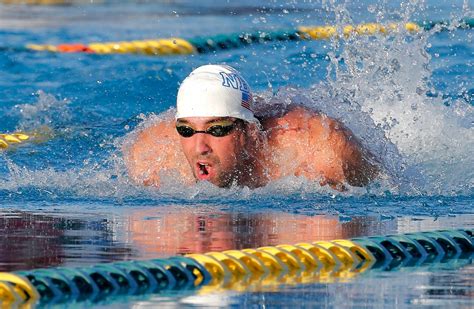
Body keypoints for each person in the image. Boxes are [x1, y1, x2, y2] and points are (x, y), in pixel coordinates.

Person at [124, 64, 378, 190]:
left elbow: (386, 190)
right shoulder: (151, 158)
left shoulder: (317, 150)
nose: (200, 147)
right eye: (187, 130)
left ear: (251, 131)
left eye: (218, 129)